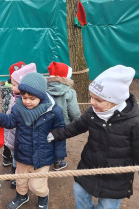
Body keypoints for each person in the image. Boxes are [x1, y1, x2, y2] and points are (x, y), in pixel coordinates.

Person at [48, 65, 139, 209]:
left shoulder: (134, 122)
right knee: (79, 191)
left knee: (107, 205)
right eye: (91, 97)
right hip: (89, 165)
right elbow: (76, 127)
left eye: (98, 100)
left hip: (116, 177)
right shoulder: (93, 113)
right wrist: (55, 134)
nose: (92, 102)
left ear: (115, 100)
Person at [0, 72, 66, 209]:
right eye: (24, 97)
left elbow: (60, 134)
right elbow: (11, 121)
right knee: (20, 180)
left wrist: (59, 156)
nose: (27, 101)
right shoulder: (18, 107)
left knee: (37, 184)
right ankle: (22, 196)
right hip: (22, 152)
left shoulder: (54, 111)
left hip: (42, 156)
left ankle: (43, 197)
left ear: (41, 95)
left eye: (32, 98)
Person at [5, 63, 36, 189]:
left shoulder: (26, 103)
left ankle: (19, 175)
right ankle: (14, 170)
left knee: (19, 156)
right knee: (14, 154)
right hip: (12, 132)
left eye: (14, 85)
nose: (11, 87)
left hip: (20, 135)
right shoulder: (15, 97)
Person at [46, 61, 81, 170]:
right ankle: (58, 162)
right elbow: (74, 111)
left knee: (46, 139)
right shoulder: (70, 92)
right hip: (62, 123)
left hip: (45, 121)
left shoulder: (43, 88)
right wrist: (77, 121)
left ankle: (46, 159)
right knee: (60, 140)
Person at [0, 61, 25, 167]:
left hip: (9, 116)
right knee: (9, 138)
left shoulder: (9, 88)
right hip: (9, 117)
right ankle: (7, 157)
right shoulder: (13, 91)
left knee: (9, 137)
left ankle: (8, 157)